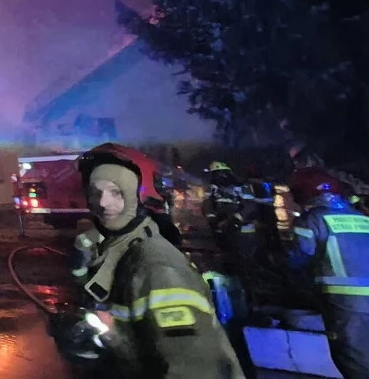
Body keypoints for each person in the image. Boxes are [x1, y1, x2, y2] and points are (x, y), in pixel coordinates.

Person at [56, 142, 244, 378]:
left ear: (139, 196)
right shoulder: (117, 253)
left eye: (116, 192)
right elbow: (139, 348)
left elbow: (193, 370)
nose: (103, 202)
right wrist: (100, 340)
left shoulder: (158, 268)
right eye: (96, 192)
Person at [288, 182, 369, 379]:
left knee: (354, 362)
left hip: (346, 303)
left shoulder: (313, 219)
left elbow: (300, 254)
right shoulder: (364, 220)